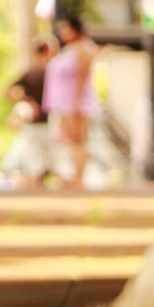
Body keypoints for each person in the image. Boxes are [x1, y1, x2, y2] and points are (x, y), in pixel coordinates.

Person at [42, 14, 99, 187]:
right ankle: (74, 174)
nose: (62, 33)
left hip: (75, 103)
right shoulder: (69, 49)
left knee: (78, 140)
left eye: (66, 29)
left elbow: (83, 78)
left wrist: (77, 102)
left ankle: (79, 177)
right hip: (63, 102)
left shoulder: (84, 49)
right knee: (69, 140)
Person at [1, 35, 59, 187]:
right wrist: (26, 101)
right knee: (46, 159)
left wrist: (24, 100)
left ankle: (36, 187)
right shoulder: (48, 72)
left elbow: (7, 91)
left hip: (37, 124)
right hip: (47, 122)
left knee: (35, 161)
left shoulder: (31, 71)